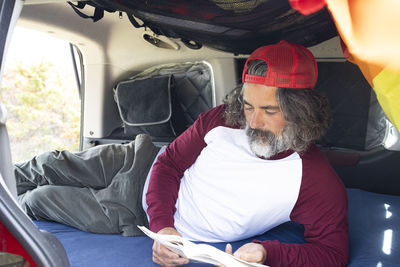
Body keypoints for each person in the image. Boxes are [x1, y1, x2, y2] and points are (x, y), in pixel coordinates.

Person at [15, 40, 349, 267]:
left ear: (301, 111)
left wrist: (267, 251)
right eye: (248, 106)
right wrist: (164, 227)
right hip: (135, 159)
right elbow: (170, 162)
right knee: (45, 164)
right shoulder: (221, 118)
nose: (253, 121)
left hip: (130, 211)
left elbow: (333, 253)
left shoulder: (314, 180)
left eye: (269, 110)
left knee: (39, 199)